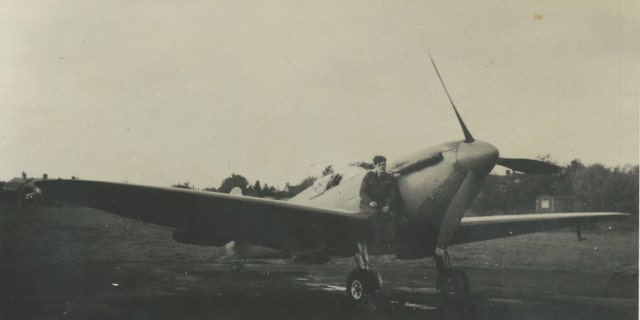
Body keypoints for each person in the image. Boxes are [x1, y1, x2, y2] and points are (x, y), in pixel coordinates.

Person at [359, 155, 400, 246]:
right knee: (374, 214)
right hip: (367, 204)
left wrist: (388, 206)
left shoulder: (390, 178)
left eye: (384, 164)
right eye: (379, 164)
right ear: (375, 165)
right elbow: (362, 192)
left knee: (392, 215)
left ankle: (389, 242)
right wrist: (370, 202)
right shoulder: (369, 176)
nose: (382, 166)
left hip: (382, 203)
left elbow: (394, 194)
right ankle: (375, 241)